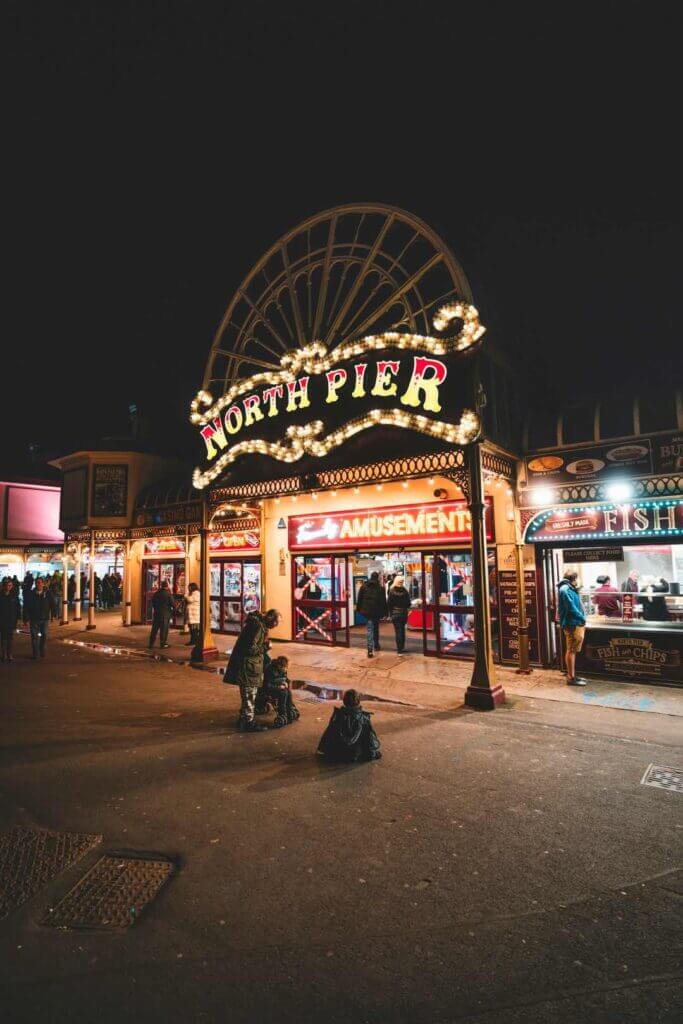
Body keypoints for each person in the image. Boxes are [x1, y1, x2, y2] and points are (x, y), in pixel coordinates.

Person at [224, 608, 281, 731]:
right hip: (248, 666)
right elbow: (251, 649)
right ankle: (248, 723)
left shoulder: (255, 624)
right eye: (277, 622)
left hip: (247, 665)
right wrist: (266, 647)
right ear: (272, 620)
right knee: (249, 694)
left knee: (248, 695)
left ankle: (244, 719)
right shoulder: (258, 627)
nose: (276, 626)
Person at [317, 689, 382, 763]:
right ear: (358, 702)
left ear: (344, 701)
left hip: (336, 754)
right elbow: (371, 742)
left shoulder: (337, 716)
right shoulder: (364, 719)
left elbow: (327, 739)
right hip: (355, 755)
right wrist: (373, 754)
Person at [557, 571, 587, 686]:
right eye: (576, 579)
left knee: (572, 650)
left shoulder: (569, 588)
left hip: (574, 622)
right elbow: (571, 607)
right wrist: (582, 617)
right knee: (571, 650)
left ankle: (572, 675)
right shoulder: (565, 589)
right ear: (573, 578)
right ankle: (570, 677)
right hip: (572, 623)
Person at [255, 653, 300, 728]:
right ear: (279, 666)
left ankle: (289, 710)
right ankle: (282, 713)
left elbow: (286, 678)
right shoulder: (270, 670)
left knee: (287, 691)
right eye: (285, 668)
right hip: (267, 690)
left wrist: (287, 683)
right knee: (283, 693)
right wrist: (279, 687)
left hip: (277, 688)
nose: (286, 669)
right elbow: (267, 685)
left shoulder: (282, 670)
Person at [356, 571, 387, 658]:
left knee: (369, 629)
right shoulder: (380, 588)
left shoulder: (364, 586)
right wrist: (385, 612)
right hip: (376, 612)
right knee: (376, 628)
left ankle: (370, 649)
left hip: (367, 612)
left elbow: (359, 599)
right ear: (377, 578)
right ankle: (376, 645)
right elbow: (383, 602)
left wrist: (358, 609)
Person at [26, 577, 51, 659]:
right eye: (37, 582)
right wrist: (25, 618)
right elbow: (27, 606)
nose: (38, 584)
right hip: (34, 618)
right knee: (34, 637)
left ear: (43, 584)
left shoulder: (47, 593)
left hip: (45, 618)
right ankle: (35, 653)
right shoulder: (31, 594)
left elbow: (52, 603)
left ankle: (42, 650)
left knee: (44, 634)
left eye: (40, 582)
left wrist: (53, 615)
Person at [387, 574, 411, 654]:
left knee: (398, 631)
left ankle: (399, 650)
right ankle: (402, 647)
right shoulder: (405, 591)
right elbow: (408, 603)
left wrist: (390, 614)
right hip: (403, 613)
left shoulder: (391, 590)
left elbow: (389, 603)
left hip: (395, 613)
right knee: (402, 630)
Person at [148, 580, 175, 648]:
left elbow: (153, 602)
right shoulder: (168, 594)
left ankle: (151, 644)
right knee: (164, 630)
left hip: (157, 613)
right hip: (165, 614)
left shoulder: (156, 593)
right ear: (167, 586)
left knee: (154, 629)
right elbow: (173, 604)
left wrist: (156, 609)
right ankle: (163, 644)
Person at [0, 578, 19, 663]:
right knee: (3, 638)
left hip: (11, 620)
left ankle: (10, 654)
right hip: (2, 620)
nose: (8, 587)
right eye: (7, 585)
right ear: (3, 586)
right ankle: (4, 654)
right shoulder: (1, 595)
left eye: (10, 585)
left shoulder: (14, 596)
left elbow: (18, 608)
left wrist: (18, 618)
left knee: (10, 638)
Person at [185, 582, 201, 650]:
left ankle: (194, 641)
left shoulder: (196, 593)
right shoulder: (195, 593)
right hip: (193, 613)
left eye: (189, 587)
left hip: (194, 614)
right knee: (192, 628)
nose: (188, 588)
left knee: (194, 629)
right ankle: (193, 640)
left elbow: (190, 599)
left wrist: (186, 596)